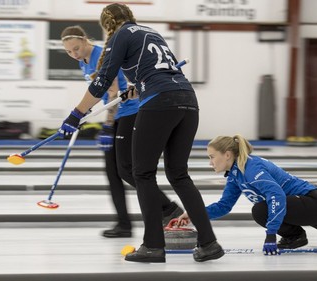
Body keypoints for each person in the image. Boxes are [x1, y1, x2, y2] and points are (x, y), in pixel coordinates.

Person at [57, 3, 224, 263]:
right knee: (179, 175)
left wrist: (75, 115)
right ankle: (209, 243)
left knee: (142, 173)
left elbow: (102, 82)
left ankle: (153, 246)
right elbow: (155, 70)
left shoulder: (119, 35)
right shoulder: (150, 32)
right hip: (188, 101)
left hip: (160, 103)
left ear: (107, 25)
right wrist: (136, 88)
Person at [60, 25, 183, 239]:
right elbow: (100, 94)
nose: (74, 55)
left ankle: (168, 209)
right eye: (69, 52)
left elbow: (113, 91)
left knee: (125, 169)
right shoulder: (83, 62)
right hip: (117, 114)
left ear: (86, 40)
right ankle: (123, 223)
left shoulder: (101, 55)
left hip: (130, 112)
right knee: (112, 172)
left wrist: (108, 125)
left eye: (76, 49)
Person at [178, 134, 317, 255]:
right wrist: (193, 214)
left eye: (211, 156)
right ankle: (295, 236)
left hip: (312, 204)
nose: (210, 162)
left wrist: (270, 235)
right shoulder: (235, 176)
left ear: (227, 154)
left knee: (260, 210)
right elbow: (224, 206)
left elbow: (276, 196)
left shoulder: (251, 167)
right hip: (309, 208)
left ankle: (295, 237)